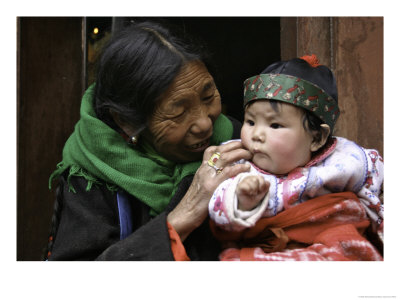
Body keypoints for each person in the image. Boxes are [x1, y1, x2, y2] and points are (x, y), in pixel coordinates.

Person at [44, 21, 252, 261]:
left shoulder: (238, 140)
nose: (205, 123)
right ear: (127, 122)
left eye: (208, 96)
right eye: (178, 112)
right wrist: (182, 216)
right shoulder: (92, 174)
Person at [208, 55, 384, 260]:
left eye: (275, 125)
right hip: (265, 251)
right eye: (250, 122)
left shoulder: (347, 160)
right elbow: (216, 202)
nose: (256, 135)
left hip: (332, 246)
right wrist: (243, 200)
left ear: (317, 138)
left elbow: (376, 194)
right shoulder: (237, 160)